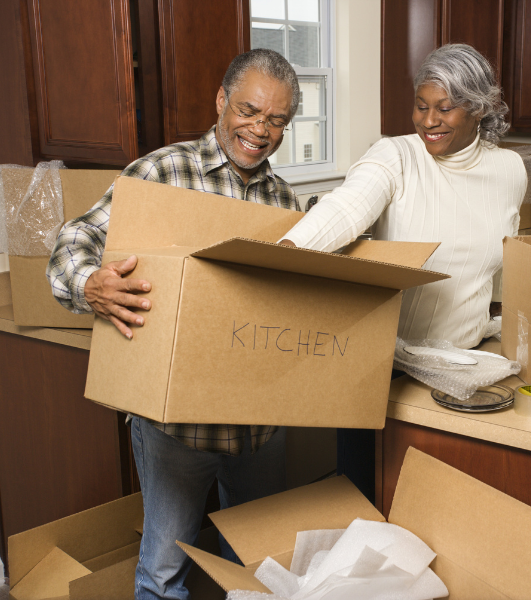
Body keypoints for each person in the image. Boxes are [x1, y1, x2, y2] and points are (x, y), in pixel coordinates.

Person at [46, 49, 301, 600]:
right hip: (176, 429)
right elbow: (75, 238)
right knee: (164, 576)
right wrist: (90, 283)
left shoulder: (283, 199)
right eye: (249, 110)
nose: (260, 130)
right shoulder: (162, 171)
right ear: (221, 102)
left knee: (259, 572)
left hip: (260, 425)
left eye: (277, 119)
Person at [280, 44, 527, 497]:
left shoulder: (510, 169)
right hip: (383, 368)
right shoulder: (396, 155)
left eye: (445, 108)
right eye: (420, 105)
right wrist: (282, 254)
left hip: (461, 368)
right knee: (365, 501)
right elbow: (344, 210)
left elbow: (502, 262)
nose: (428, 120)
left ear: (478, 109)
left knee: (439, 506)